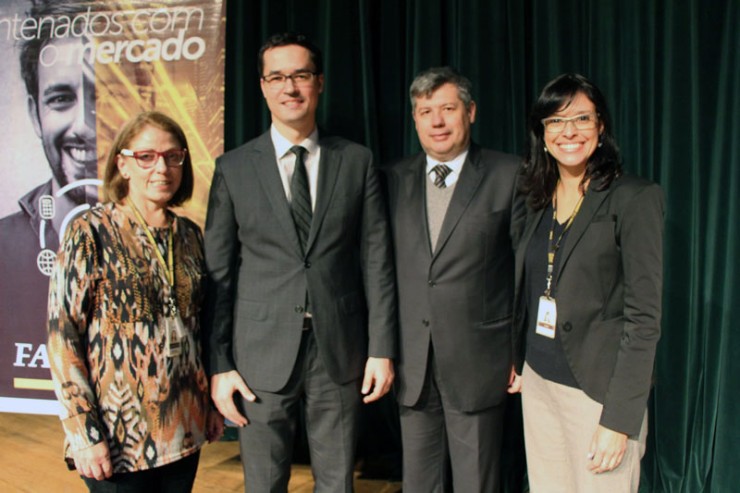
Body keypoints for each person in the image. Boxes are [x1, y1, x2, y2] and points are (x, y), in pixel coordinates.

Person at [203, 32, 397, 492]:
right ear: (264, 87)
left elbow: (377, 262)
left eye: (300, 75)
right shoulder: (233, 168)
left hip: (340, 350)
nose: (289, 87)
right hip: (259, 356)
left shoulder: (357, 161)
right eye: (277, 76)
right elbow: (219, 275)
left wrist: (381, 348)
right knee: (264, 483)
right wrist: (219, 362)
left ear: (320, 82)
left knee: (337, 482)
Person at [47, 111, 224, 492]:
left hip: (184, 432)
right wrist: (84, 432)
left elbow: (200, 328)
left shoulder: (190, 235)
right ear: (122, 165)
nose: (161, 167)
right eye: (147, 157)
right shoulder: (90, 231)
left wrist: (208, 404)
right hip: (116, 436)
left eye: (172, 156)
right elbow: (63, 337)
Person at [509, 73, 663, 492]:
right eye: (555, 121)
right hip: (539, 383)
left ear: (601, 127)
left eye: (581, 118)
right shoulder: (535, 198)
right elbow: (527, 287)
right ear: (541, 134)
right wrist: (519, 358)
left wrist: (619, 419)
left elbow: (644, 319)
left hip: (596, 394)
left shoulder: (634, 198)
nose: (568, 131)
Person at [382, 66, 523, 492]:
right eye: (426, 111)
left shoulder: (510, 173)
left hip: (481, 362)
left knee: (476, 484)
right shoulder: (390, 179)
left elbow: (525, 271)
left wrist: (520, 351)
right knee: (418, 484)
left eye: (447, 108)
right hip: (412, 363)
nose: (437, 121)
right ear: (415, 118)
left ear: (471, 112)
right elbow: (379, 270)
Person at [0, 1, 100, 402]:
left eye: (100, 96)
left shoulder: (170, 239)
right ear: (34, 113)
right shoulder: (4, 245)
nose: (84, 125)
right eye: (61, 98)